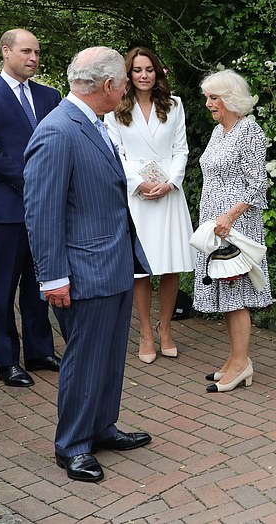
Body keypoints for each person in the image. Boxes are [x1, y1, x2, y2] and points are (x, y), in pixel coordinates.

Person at [23, 47, 153, 482]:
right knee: (83, 358)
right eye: (123, 83)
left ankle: (101, 427)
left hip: (112, 264)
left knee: (110, 356)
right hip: (81, 272)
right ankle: (73, 446)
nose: (126, 90)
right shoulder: (58, 130)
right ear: (110, 86)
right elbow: (42, 211)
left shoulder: (93, 122)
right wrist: (53, 277)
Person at [0, 29, 62, 387]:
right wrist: (35, 183)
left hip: (48, 210)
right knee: (3, 286)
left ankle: (39, 352)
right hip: (9, 207)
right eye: (26, 51)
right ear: (6, 52)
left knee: (42, 282)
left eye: (37, 51)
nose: (34, 57)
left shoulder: (50, 96)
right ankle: (6, 359)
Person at [104, 47, 193, 364]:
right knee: (140, 270)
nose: (143, 75)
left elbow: (182, 149)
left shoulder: (175, 105)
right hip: (136, 195)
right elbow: (116, 153)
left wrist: (171, 182)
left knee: (170, 265)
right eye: (137, 70)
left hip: (168, 191)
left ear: (158, 73)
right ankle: (144, 332)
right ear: (128, 75)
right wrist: (137, 183)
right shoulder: (115, 110)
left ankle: (165, 327)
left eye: (149, 69)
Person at [194, 69, 272, 393]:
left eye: (215, 98)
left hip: (235, 225)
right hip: (215, 223)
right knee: (225, 294)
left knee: (235, 293)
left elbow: (257, 186)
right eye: (208, 98)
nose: (209, 104)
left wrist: (229, 216)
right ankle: (235, 359)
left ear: (231, 98)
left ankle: (241, 364)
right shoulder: (218, 132)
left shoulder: (249, 130)